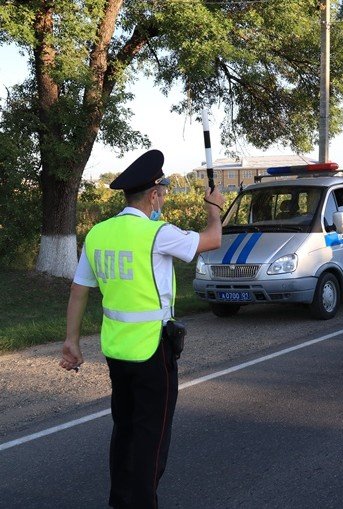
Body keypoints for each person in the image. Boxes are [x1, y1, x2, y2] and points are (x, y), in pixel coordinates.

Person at [59, 150, 223, 508]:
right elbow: (212, 240)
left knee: (125, 430)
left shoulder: (98, 234)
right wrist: (215, 208)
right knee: (152, 436)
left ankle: (119, 501)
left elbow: (78, 290)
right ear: (153, 196)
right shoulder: (158, 233)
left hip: (117, 351)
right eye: (162, 193)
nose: (162, 199)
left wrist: (71, 341)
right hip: (153, 351)